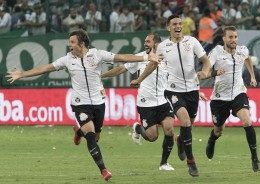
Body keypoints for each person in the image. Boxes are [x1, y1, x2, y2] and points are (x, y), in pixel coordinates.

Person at [6, 29, 159, 181]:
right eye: (69, 42)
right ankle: (104, 170)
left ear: (82, 43)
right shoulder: (67, 59)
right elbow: (46, 68)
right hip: (80, 104)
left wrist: (146, 57)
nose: (69, 45)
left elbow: (122, 57)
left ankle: (78, 132)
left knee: (96, 136)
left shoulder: (97, 55)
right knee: (91, 137)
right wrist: (23, 74)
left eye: (72, 42)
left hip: (99, 102)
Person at [146, 14, 211, 177]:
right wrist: (140, 79)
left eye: (180, 24)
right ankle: (191, 162)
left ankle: (180, 141)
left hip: (193, 90)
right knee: (185, 121)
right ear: (168, 27)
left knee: (189, 126)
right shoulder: (162, 47)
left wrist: (205, 71)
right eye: (174, 24)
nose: (178, 26)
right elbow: (153, 64)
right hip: (173, 90)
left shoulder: (192, 42)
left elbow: (206, 60)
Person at [102, 33, 175, 171]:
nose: (145, 43)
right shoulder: (141, 57)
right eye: (145, 41)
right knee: (152, 136)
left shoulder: (167, 57)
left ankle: (164, 163)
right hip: (146, 103)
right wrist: (102, 76)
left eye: (148, 41)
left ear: (157, 43)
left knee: (169, 129)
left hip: (162, 101)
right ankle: (137, 128)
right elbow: (121, 69)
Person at [203, 26, 260, 172]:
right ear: (224, 39)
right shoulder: (217, 51)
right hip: (219, 98)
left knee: (247, 121)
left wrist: (252, 76)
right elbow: (206, 70)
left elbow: (247, 59)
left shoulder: (242, 50)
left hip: (238, 93)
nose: (233, 40)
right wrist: (215, 72)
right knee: (218, 131)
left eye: (235, 37)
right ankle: (212, 140)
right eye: (230, 37)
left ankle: (255, 158)